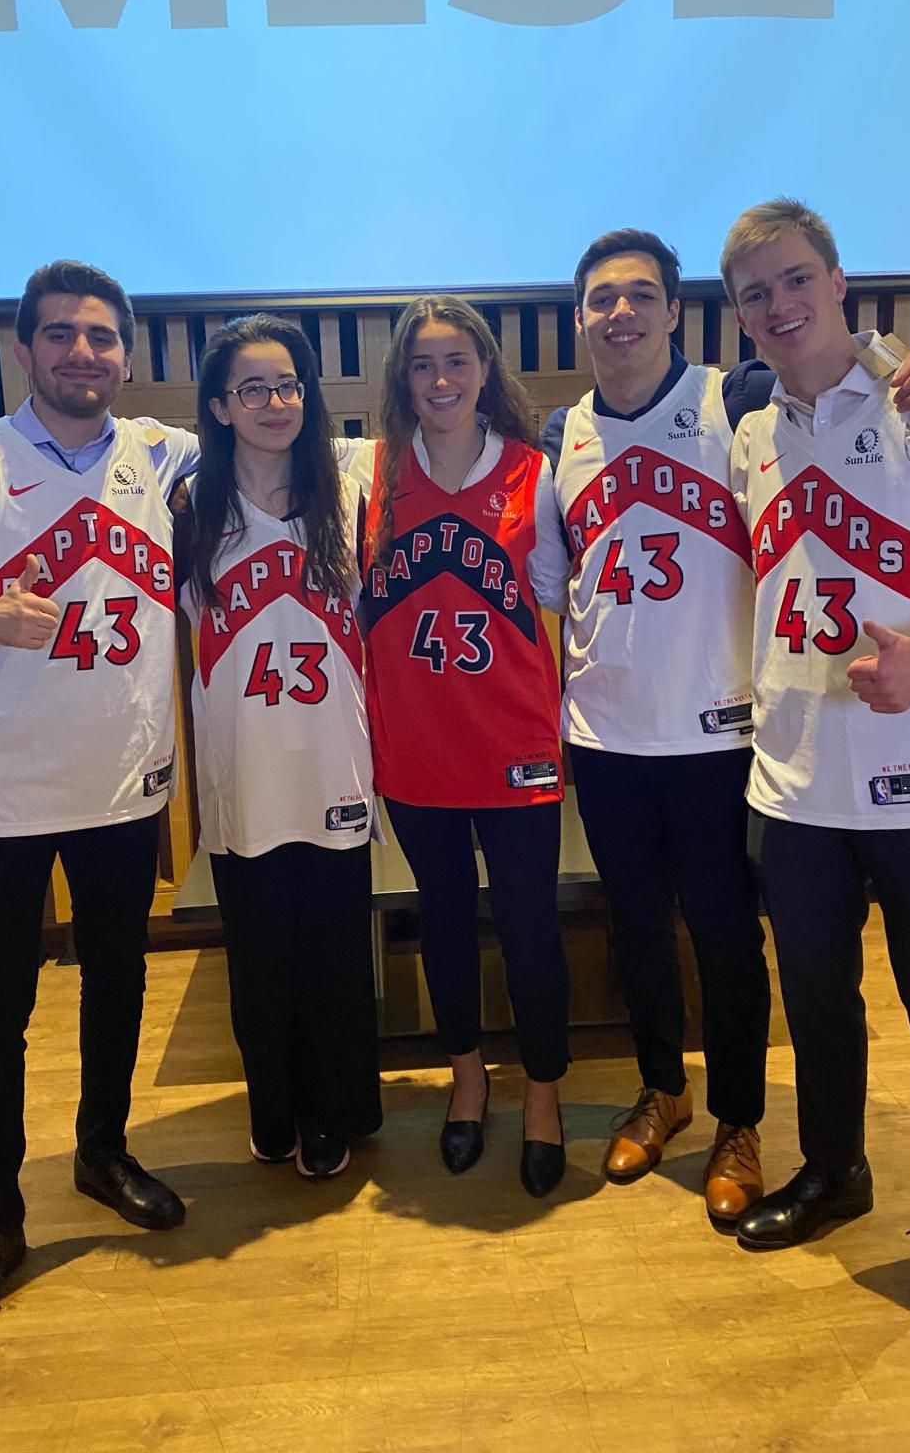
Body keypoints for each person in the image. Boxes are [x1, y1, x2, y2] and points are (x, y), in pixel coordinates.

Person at [531, 228, 910, 1229]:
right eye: (602, 297)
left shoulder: (731, 400)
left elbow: (851, 367)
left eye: (642, 294)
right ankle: (665, 1090)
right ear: (579, 317)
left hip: (725, 731)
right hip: (609, 733)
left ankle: (740, 1118)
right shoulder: (560, 433)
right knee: (640, 930)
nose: (622, 313)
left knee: (731, 938)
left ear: (678, 310)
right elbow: (548, 585)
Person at [0, 260, 199, 1357]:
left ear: (126, 352)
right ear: (24, 348)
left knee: (120, 977)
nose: (82, 354)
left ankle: (101, 1153)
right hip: (4, 792)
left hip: (121, 783)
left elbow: (285, 450)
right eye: (60, 335)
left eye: (102, 337)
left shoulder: (162, 456)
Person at [723, 198, 910, 1354]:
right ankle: (837, 1167)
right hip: (794, 784)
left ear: (840, 281)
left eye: (797, 280)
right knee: (819, 1003)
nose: (780, 307)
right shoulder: (753, 427)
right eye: (756, 293)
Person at [340, 296, 569, 1196]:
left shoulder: (533, 472)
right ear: (404, 379)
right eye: (423, 365)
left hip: (515, 740)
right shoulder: (370, 474)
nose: (441, 380)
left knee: (529, 929)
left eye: (457, 362)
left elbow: (553, 587)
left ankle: (543, 1092)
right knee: (441, 921)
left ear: (484, 371)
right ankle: (467, 1079)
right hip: (418, 745)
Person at [181, 314, 382, 1180]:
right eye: (252, 388)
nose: (274, 402)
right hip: (243, 765)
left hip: (333, 756)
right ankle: (275, 1108)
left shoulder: (352, 479)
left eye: (289, 384)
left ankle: (336, 1111)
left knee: (336, 950)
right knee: (260, 953)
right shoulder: (187, 500)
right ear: (220, 405)